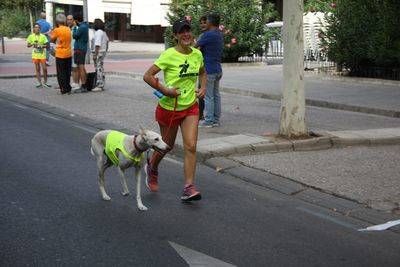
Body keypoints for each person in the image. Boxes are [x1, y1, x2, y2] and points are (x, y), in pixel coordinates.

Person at [143, 19, 206, 202]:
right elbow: (148, 76)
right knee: (166, 147)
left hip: (190, 107)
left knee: (191, 146)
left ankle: (189, 187)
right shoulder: (168, 55)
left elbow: (203, 72)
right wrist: (165, 90)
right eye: (181, 32)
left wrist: (202, 88)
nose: (186, 34)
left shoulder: (197, 54)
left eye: (188, 31)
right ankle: (152, 166)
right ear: (176, 36)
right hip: (170, 108)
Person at [196, 13, 223, 128]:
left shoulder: (207, 35)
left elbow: (194, 47)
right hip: (217, 69)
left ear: (210, 22)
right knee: (216, 95)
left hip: (208, 70)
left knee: (208, 96)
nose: (204, 23)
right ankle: (216, 120)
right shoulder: (219, 34)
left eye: (206, 21)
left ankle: (209, 121)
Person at [51, 13, 72, 95]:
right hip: (68, 53)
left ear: (57, 21)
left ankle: (63, 89)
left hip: (60, 54)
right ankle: (68, 88)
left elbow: (52, 39)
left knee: (61, 72)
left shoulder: (57, 30)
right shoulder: (68, 29)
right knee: (67, 72)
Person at [26, 23, 51, 88]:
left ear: (40, 29)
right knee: (37, 68)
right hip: (35, 55)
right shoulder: (31, 36)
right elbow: (28, 45)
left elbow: (48, 45)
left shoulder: (43, 36)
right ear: (34, 29)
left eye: (38, 27)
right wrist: (32, 44)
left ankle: (45, 82)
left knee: (45, 69)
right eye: (35, 27)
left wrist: (42, 46)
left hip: (42, 55)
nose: (37, 29)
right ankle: (39, 82)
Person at [72, 13, 89, 93]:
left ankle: (83, 85)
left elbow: (75, 36)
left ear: (76, 20)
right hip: (82, 49)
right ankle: (84, 84)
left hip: (79, 50)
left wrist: (75, 27)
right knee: (81, 67)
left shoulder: (81, 27)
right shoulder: (85, 26)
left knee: (81, 67)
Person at [91, 19, 109, 92]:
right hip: (103, 52)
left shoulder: (98, 32)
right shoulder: (104, 33)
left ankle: (99, 84)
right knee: (101, 68)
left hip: (98, 52)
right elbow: (107, 42)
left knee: (98, 68)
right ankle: (101, 83)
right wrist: (105, 51)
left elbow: (97, 44)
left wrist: (95, 54)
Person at [195, 15, 208, 120]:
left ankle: (203, 114)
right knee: (204, 92)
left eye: (205, 22)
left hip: (205, 67)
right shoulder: (202, 35)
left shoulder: (205, 36)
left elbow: (196, 48)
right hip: (202, 66)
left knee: (203, 92)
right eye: (201, 23)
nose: (203, 25)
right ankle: (202, 114)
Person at [66, 15, 80, 90]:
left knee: (75, 68)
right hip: (67, 51)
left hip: (75, 50)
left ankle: (77, 83)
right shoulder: (66, 29)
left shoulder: (77, 29)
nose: (69, 21)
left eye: (70, 19)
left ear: (73, 20)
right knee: (71, 68)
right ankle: (74, 82)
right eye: (68, 19)